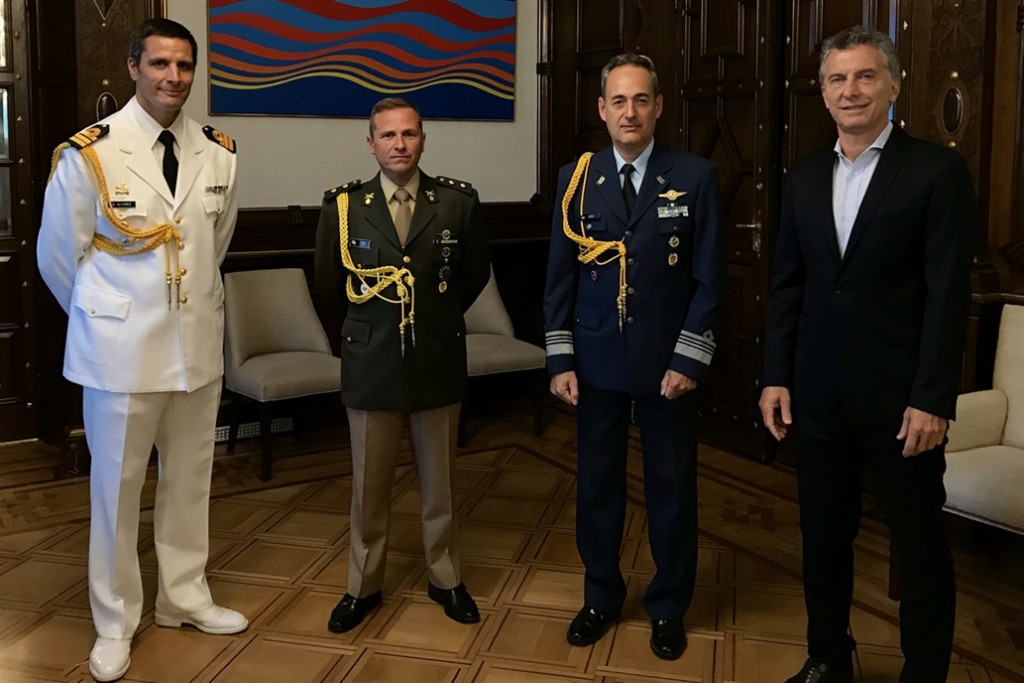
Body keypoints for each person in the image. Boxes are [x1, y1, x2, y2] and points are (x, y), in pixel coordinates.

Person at [759, 25, 976, 683]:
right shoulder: (804, 176)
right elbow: (787, 285)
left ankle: (924, 672)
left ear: (894, 85)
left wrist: (933, 397)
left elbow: (948, 294)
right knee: (824, 540)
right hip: (818, 398)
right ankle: (828, 657)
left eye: (864, 75)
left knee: (919, 548)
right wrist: (775, 375)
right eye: (837, 78)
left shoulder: (936, 170)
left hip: (903, 404)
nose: (850, 90)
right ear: (823, 93)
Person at [36, 18, 246, 683]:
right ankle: (115, 620)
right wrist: (106, 320)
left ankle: (184, 596)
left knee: (190, 480)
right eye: (159, 64)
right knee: (117, 490)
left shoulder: (219, 152)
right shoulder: (90, 153)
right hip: (119, 355)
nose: (173, 77)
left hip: (196, 349)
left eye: (184, 65)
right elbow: (57, 258)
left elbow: (214, 246)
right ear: (133, 67)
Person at [543, 53, 724, 661]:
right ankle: (600, 596)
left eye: (641, 100)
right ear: (602, 109)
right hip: (595, 361)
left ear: (658, 107)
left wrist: (689, 360)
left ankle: (668, 606)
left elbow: (709, 280)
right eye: (618, 101)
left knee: (671, 489)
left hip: (667, 366)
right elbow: (560, 276)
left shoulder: (694, 175)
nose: (630, 112)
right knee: (597, 488)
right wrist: (560, 360)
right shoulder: (577, 177)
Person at [315, 97, 490, 633]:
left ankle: (445, 577)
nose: (399, 144)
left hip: (437, 357)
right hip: (371, 363)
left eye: (409, 134)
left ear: (423, 140)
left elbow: (473, 275)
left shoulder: (457, 203)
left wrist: (433, 319)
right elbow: (329, 286)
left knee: (441, 485)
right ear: (371, 143)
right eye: (388, 135)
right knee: (369, 488)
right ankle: (363, 586)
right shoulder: (344, 206)